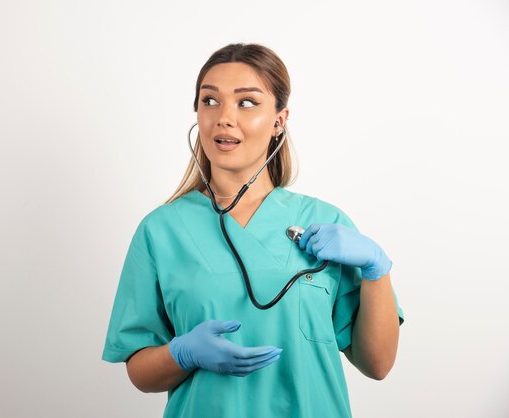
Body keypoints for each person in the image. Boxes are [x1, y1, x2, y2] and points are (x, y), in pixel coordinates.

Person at [102, 43, 404, 417]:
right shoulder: (160, 231)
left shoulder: (326, 222)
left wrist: (377, 269)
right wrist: (183, 353)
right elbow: (140, 373)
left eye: (246, 102)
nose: (224, 118)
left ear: (279, 120)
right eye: (210, 101)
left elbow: (378, 365)